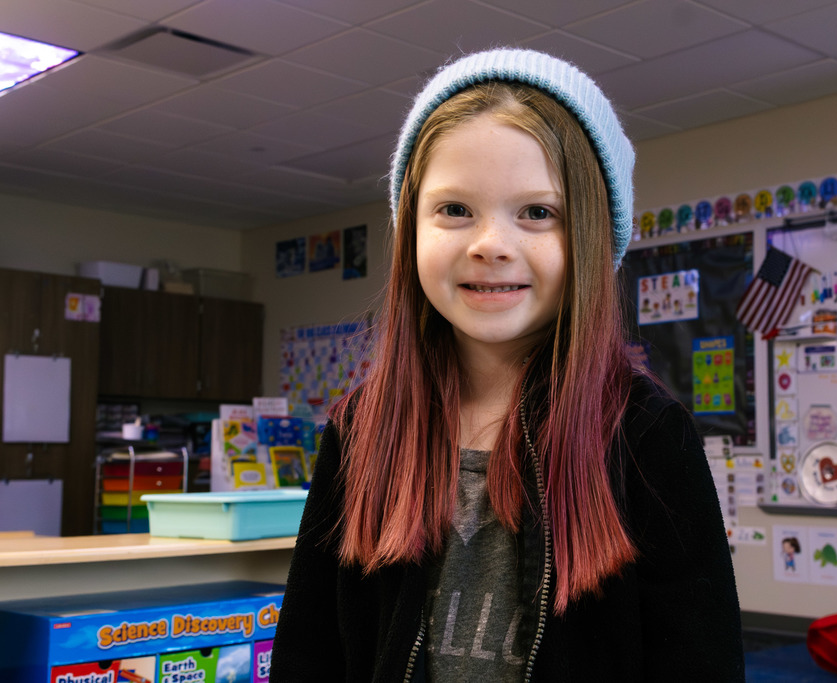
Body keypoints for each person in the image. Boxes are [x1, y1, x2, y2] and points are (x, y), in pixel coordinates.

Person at [270, 47, 744, 682]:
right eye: (455, 209)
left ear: (593, 239)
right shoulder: (362, 428)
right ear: (411, 227)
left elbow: (699, 661)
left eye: (537, 213)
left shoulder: (647, 437)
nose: (491, 245)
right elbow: (310, 647)